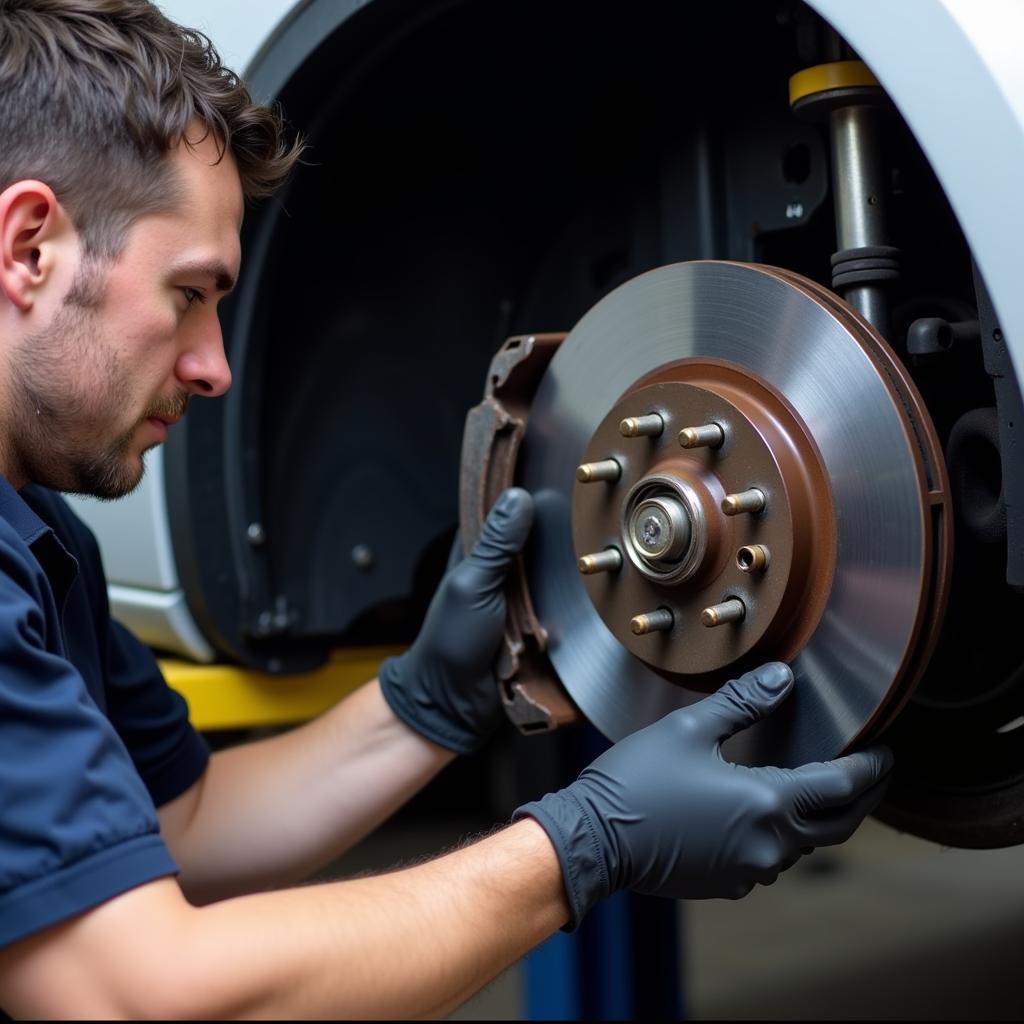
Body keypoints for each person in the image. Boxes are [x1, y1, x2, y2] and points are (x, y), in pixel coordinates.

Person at [0, 1, 892, 1017]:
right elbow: (130, 995)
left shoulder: (39, 533)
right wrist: (581, 842)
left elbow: (186, 821)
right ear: (31, 248)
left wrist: (424, 699)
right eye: (190, 293)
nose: (214, 369)